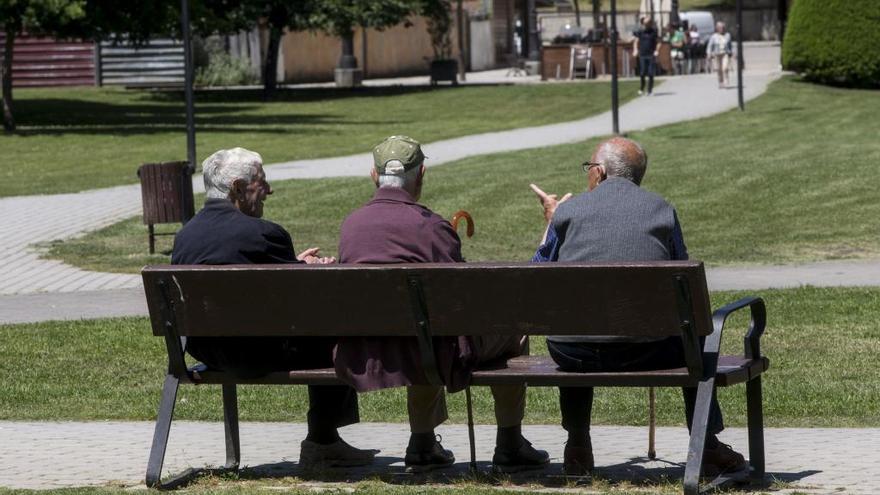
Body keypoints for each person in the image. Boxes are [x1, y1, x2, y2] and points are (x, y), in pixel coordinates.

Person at [528, 137, 747, 477]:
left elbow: (536, 273)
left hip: (573, 353)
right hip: (652, 351)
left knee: (581, 323)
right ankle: (707, 447)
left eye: (589, 168)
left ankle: (577, 446)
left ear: (598, 172)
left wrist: (550, 221)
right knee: (695, 337)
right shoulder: (662, 209)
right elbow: (681, 275)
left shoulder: (568, 212)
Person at [334, 136, 549, 473]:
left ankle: (422, 442)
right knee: (511, 331)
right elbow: (460, 302)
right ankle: (510, 442)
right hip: (429, 346)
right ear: (421, 174)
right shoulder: (431, 227)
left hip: (369, 348)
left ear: (374, 177)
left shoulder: (351, 226)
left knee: (423, 331)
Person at [171, 147, 376, 468]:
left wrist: (294, 265)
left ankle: (326, 442)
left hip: (206, 351)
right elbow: (299, 303)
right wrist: (313, 271)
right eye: (261, 182)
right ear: (238, 187)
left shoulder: (186, 237)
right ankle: (323, 441)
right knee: (338, 332)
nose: (268, 190)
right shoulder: (265, 234)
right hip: (256, 354)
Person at [633, 18, 659, 96]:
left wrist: (656, 50)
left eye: (647, 24)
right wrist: (635, 50)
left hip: (651, 54)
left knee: (651, 73)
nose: (645, 25)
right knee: (642, 72)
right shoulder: (640, 32)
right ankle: (642, 87)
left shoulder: (654, 32)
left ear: (650, 24)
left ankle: (649, 90)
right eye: (644, 24)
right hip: (642, 54)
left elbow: (658, 42)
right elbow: (636, 41)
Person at [707, 21, 732, 88]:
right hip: (717, 54)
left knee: (725, 68)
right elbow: (710, 46)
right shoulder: (713, 36)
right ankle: (721, 82)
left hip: (725, 54)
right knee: (718, 69)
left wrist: (732, 53)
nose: (722, 29)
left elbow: (730, 45)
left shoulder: (728, 35)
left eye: (723, 27)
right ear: (717, 28)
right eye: (720, 28)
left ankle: (726, 81)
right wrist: (709, 53)